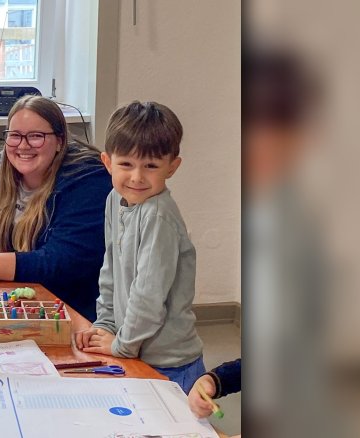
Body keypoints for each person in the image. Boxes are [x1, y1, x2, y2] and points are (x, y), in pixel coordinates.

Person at [0, 95, 112, 322]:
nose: (24, 146)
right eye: (15, 136)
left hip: (74, 311)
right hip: (17, 303)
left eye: (36, 136)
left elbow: (60, 263)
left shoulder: (89, 180)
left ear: (60, 141)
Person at [75, 101, 204, 394]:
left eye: (151, 166)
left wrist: (121, 345)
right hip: (134, 350)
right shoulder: (114, 199)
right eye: (126, 164)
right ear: (107, 162)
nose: (136, 177)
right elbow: (110, 268)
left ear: (172, 167)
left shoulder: (158, 215)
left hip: (170, 364)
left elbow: (148, 297)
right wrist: (105, 323)